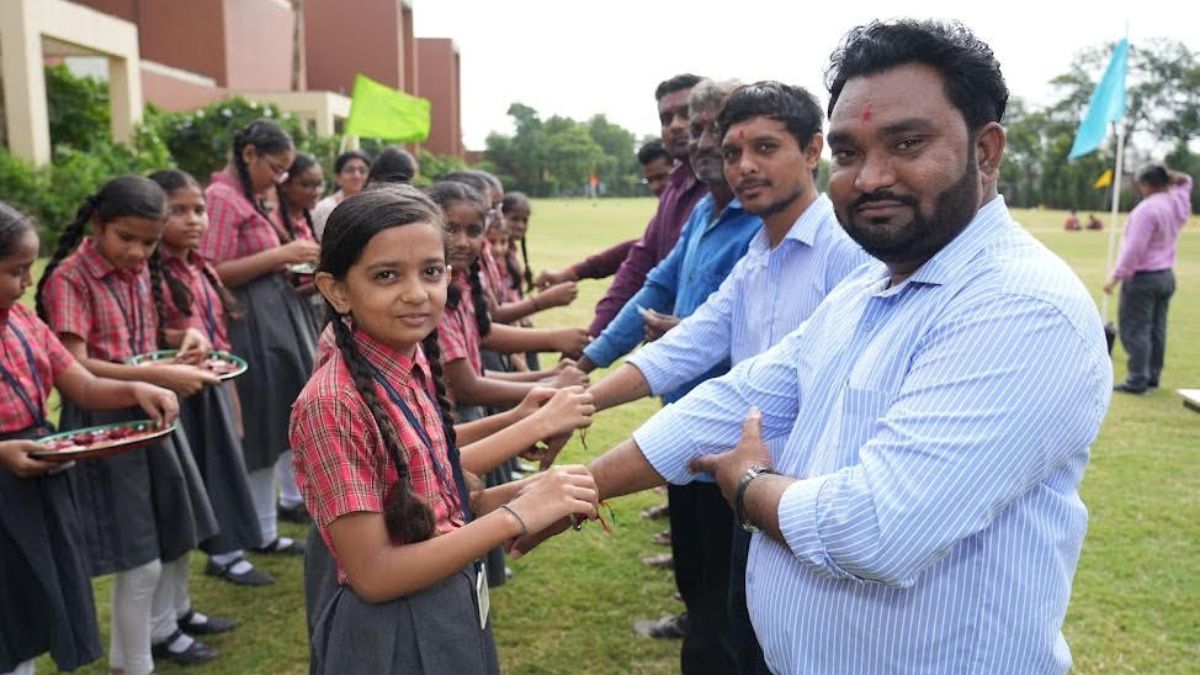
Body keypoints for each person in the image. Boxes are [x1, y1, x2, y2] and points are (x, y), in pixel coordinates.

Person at [514, 20, 1112, 674]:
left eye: (907, 142)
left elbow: (879, 527)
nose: (871, 177)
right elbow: (734, 397)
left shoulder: (1018, 304)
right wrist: (562, 490)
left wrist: (748, 486)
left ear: (987, 151)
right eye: (852, 154)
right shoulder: (871, 288)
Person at [585, 81, 869, 673]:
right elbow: (692, 341)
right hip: (747, 486)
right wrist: (582, 400)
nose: (745, 167)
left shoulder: (847, 252)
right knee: (730, 627)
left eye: (766, 148)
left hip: (807, 501)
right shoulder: (761, 252)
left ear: (813, 150)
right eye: (735, 151)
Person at [290, 185, 601, 674]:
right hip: (390, 629)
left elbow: (433, 481)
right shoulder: (332, 403)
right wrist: (515, 515)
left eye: (430, 272)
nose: (416, 293)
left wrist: (537, 487)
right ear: (337, 290)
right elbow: (373, 573)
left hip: (444, 599)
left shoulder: (405, 360)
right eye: (387, 275)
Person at [576, 78, 764, 670]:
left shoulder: (767, 224)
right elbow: (655, 283)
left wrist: (677, 331)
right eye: (692, 125)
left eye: (715, 128)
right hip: (684, 432)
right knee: (699, 588)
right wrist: (586, 364)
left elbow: (752, 343)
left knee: (732, 614)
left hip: (736, 448)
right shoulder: (705, 210)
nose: (696, 137)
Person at [36, 176, 231, 672]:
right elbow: (77, 365)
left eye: (149, 242)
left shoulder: (138, 271)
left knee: (174, 528)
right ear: (98, 225)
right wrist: (156, 373)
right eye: (128, 239)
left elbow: (132, 340)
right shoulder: (69, 279)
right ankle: (133, 660)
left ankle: (166, 628)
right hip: (107, 423)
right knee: (137, 554)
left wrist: (183, 335)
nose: (140, 252)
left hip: (153, 412)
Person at [0, 199, 178, 675]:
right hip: (7, 472)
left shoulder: (22, 321)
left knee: (36, 597)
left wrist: (137, 386)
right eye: (16, 271)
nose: (27, 282)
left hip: (38, 468)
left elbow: (79, 381)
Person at [148, 169, 273, 587]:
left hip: (215, 383)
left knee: (222, 468)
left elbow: (218, 335)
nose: (193, 220)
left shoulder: (201, 268)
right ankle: (212, 565)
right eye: (177, 211)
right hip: (174, 391)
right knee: (186, 487)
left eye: (199, 210)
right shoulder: (152, 273)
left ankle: (227, 553)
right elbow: (149, 335)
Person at [200, 119, 317, 556]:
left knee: (273, 426)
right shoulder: (222, 198)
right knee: (254, 428)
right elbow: (211, 270)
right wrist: (282, 254)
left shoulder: (251, 198)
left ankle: (264, 530)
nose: (281, 179)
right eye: (277, 168)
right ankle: (239, 541)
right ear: (250, 155)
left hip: (273, 321)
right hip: (246, 326)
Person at [537, 74, 709, 336]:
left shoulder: (734, 193)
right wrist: (591, 344)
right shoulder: (675, 191)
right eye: (666, 118)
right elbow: (641, 260)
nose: (676, 125)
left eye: (687, 114)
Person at [534, 138, 677, 291]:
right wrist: (571, 273)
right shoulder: (666, 215)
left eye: (662, 177)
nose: (655, 187)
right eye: (650, 180)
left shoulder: (698, 211)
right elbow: (638, 250)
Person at [1103, 164, 1192, 393]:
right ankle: (1152, 375)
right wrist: (1174, 177)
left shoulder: (1147, 209)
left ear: (1146, 184)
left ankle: (1137, 379)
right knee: (1156, 328)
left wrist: (1115, 277)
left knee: (1135, 329)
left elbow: (1134, 249)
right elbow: (1186, 182)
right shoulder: (1175, 203)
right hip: (1165, 275)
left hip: (1143, 277)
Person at [312, 149, 371, 240]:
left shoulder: (373, 206)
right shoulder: (326, 208)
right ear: (338, 177)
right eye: (350, 170)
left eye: (362, 171)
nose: (356, 175)